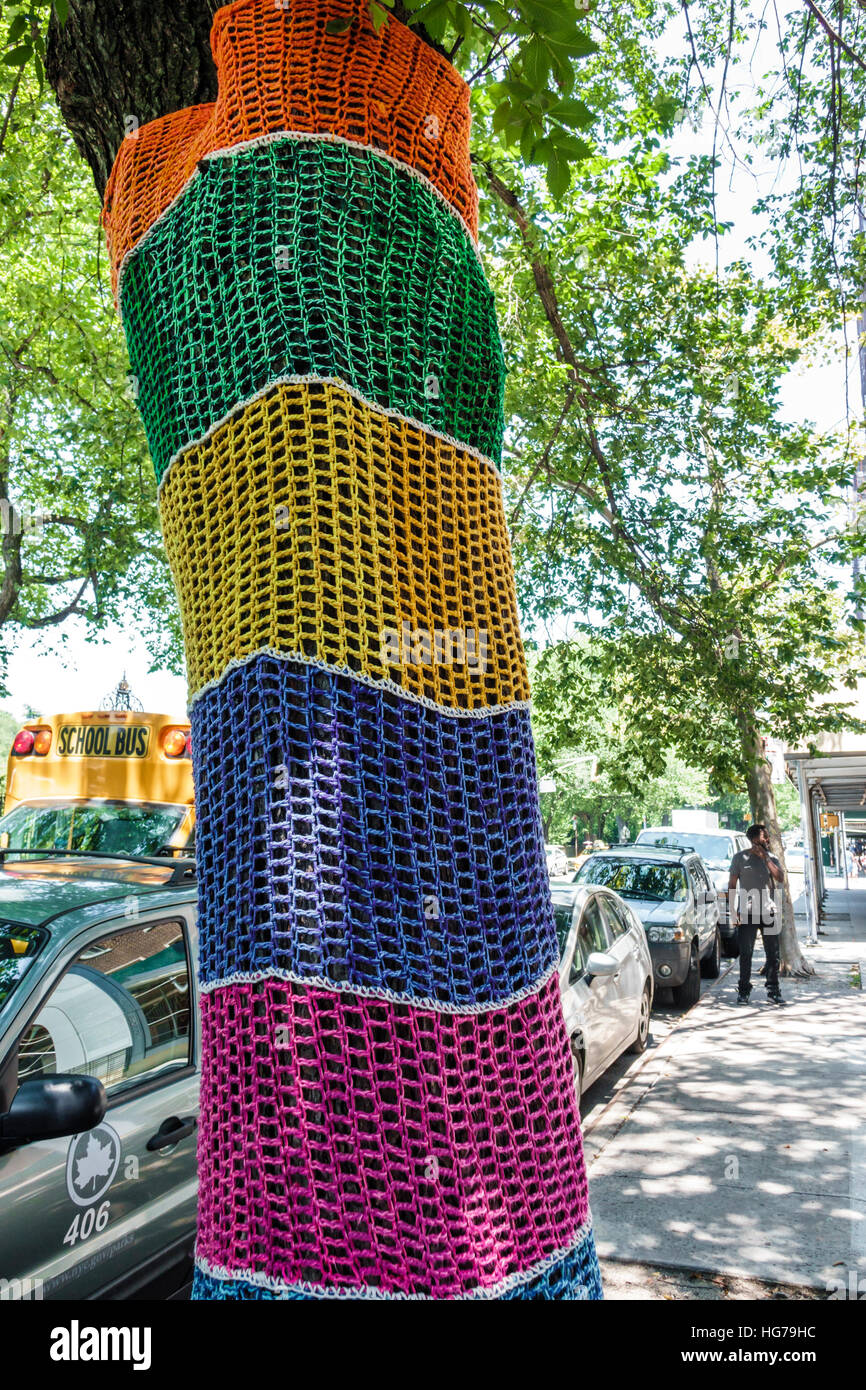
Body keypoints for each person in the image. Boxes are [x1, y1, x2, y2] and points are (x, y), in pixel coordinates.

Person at [728, 823, 785, 1006]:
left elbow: (780, 878)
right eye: (764, 837)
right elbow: (732, 885)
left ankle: (773, 991)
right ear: (754, 840)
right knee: (746, 953)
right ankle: (744, 991)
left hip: (769, 912)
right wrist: (732, 911)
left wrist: (766, 859)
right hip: (747, 912)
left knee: (773, 955)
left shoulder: (772, 858)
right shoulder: (739, 858)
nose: (767, 839)